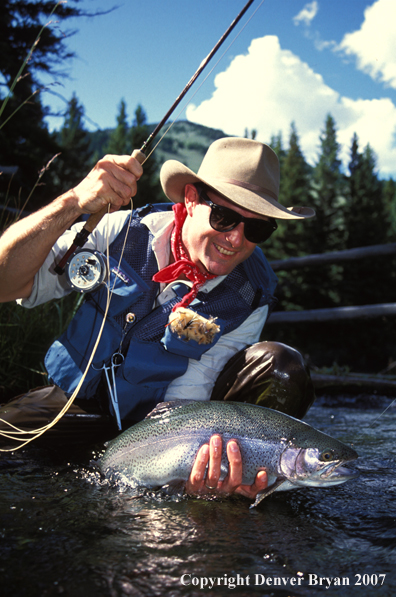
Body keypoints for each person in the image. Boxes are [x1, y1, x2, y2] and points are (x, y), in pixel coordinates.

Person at [0, 137, 315, 502]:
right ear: (191, 199)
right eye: (224, 217)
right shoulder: (120, 232)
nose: (235, 238)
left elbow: (193, 390)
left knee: (282, 366)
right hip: (79, 402)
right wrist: (72, 204)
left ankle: (251, 485)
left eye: (257, 229)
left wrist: (191, 469)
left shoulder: (251, 293)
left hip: (168, 426)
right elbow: (7, 282)